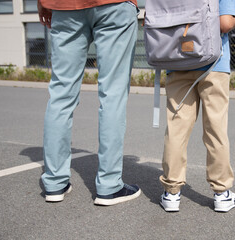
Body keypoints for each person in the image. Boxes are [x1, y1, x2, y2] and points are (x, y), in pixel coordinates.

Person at [38, 0, 141, 205]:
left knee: (61, 94)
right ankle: (109, 185)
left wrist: (43, 4)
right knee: (113, 94)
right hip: (114, 5)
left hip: (63, 6)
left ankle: (55, 183)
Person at [159, 0, 235, 212]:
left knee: (176, 129)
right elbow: (225, 23)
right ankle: (222, 194)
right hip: (213, 63)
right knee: (215, 129)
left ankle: (171, 193)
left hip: (176, 61)